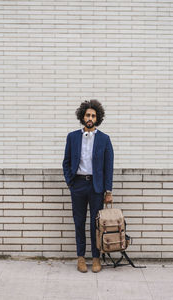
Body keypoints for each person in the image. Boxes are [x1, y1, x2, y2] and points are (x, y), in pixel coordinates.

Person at [62, 100, 114, 273]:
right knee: (79, 222)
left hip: (96, 187)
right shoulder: (72, 136)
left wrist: (108, 190)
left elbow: (108, 166)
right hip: (77, 185)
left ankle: (96, 258)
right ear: (82, 116)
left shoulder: (105, 139)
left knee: (95, 224)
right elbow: (66, 162)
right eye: (87, 115)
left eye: (93, 115)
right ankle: (81, 257)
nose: (90, 118)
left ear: (97, 118)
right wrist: (70, 182)